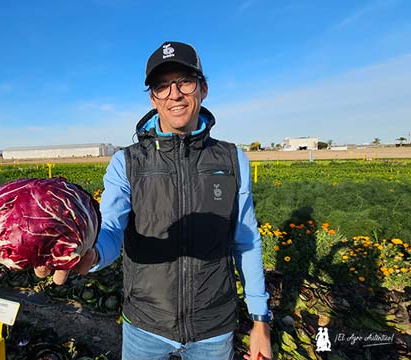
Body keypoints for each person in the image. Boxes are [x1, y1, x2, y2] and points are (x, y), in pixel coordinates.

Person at [34, 41, 272, 360]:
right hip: (144, 326)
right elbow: (112, 231)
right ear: (153, 98)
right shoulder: (127, 162)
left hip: (213, 328)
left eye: (184, 81)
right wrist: (90, 255)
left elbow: (247, 242)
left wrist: (260, 321)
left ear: (203, 89)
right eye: (162, 86)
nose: (174, 94)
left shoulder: (231, 159)